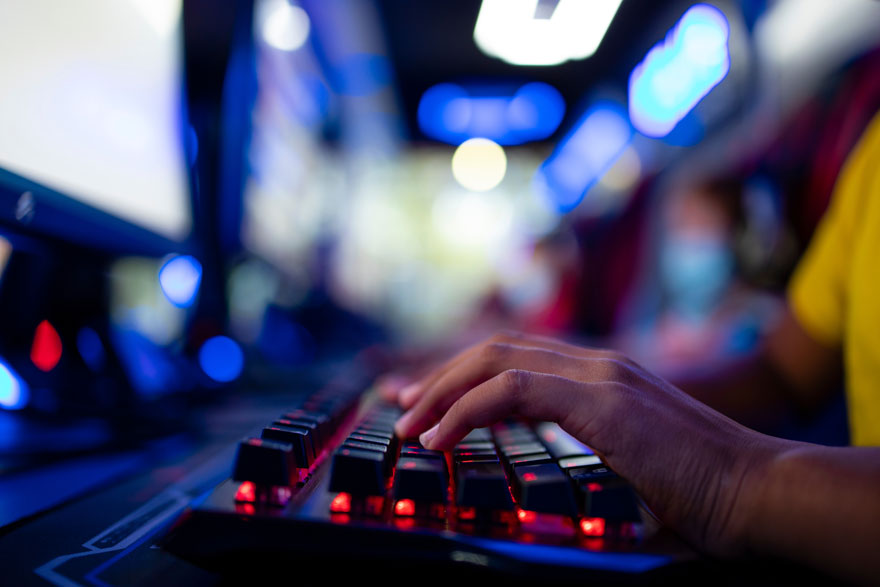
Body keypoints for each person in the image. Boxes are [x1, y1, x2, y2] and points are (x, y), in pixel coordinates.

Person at [381, 110, 880, 585]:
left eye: (697, 225)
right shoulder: (869, 153)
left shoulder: (749, 311)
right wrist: (582, 389)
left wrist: (730, 483)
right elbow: (781, 370)